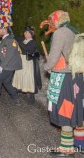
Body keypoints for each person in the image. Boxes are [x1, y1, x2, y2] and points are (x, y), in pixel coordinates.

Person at [41, 10, 84, 157]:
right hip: (76, 77)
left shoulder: (60, 33)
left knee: (65, 110)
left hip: (65, 78)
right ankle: (80, 143)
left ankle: (67, 150)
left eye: (52, 20)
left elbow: (53, 58)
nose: (51, 23)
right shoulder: (74, 31)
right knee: (76, 108)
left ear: (57, 20)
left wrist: (46, 67)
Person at [0, 26, 22, 107]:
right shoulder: (5, 40)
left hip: (8, 65)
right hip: (7, 65)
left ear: (5, 30)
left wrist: (2, 66)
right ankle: (15, 97)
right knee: (6, 82)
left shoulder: (10, 40)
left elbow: (9, 55)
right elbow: (4, 53)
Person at [12, 26, 41, 104]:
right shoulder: (24, 40)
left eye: (27, 32)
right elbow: (16, 37)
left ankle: (32, 97)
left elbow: (26, 50)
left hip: (27, 62)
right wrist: (9, 30)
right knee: (19, 74)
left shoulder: (32, 42)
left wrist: (19, 43)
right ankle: (18, 90)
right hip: (21, 60)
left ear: (31, 34)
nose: (25, 33)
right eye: (25, 32)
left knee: (27, 77)